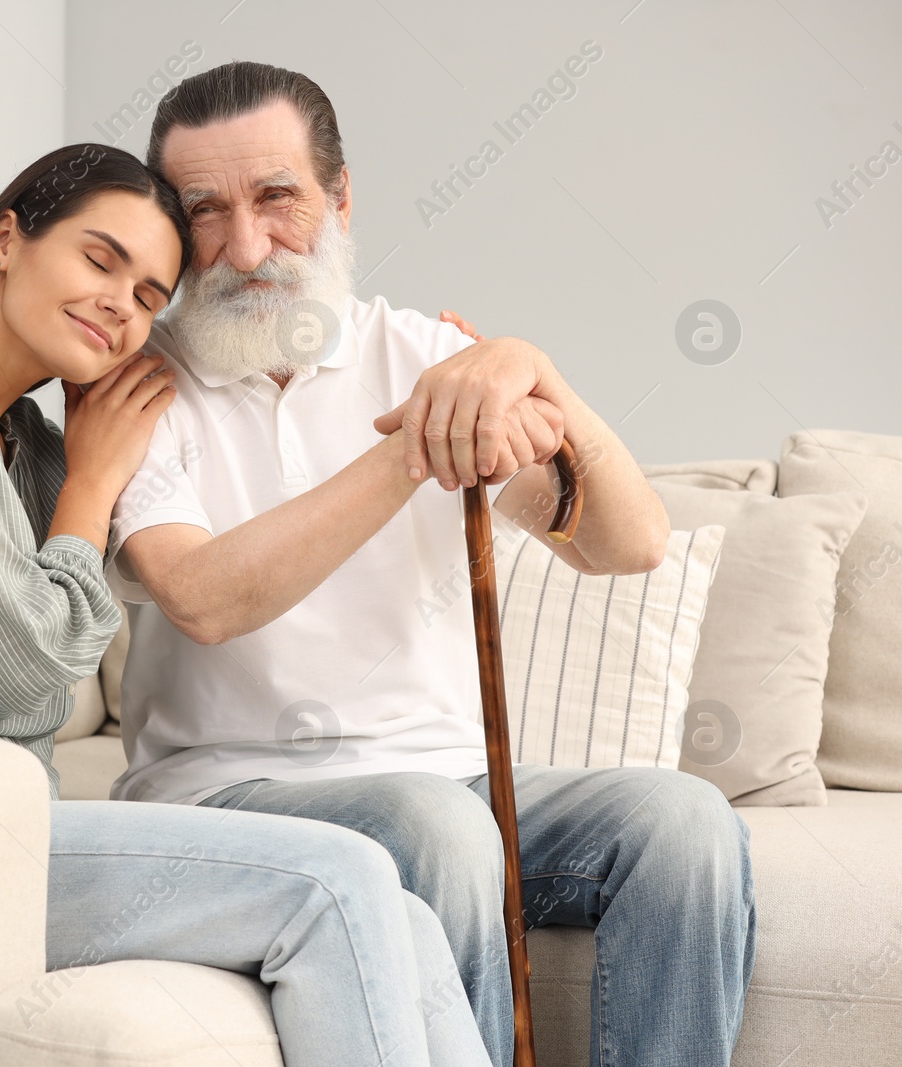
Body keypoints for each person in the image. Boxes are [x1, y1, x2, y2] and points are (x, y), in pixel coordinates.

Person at [0, 141, 493, 1066]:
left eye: (148, 298)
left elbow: (141, 597)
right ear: (8, 239)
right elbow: (23, 684)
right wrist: (94, 480)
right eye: (101, 260)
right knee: (336, 881)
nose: (120, 305)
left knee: (403, 914)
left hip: (9, 830)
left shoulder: (30, 442)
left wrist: (485, 372)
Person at [103, 60, 758, 1067]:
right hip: (229, 790)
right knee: (439, 826)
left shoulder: (421, 355)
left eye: (277, 197)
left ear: (339, 198)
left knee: (684, 821)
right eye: (204, 210)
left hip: (451, 776)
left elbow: (627, 543)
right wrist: (411, 447)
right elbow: (202, 597)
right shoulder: (139, 391)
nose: (245, 244)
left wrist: (529, 365)